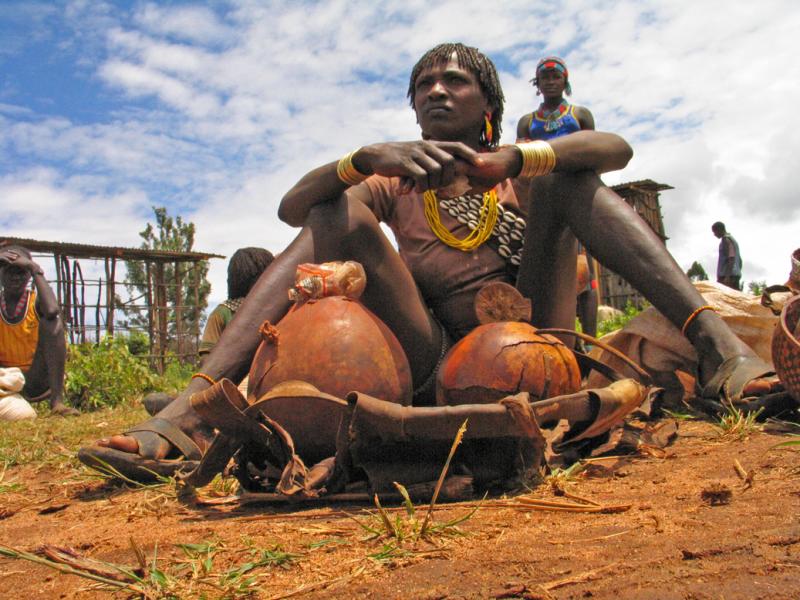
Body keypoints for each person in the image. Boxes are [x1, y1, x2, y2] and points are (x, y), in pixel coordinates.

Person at [79, 42, 779, 481]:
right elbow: (297, 209)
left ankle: (720, 355)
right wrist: (361, 160)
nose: (436, 91)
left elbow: (616, 151)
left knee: (573, 178)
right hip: (431, 356)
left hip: (535, 342)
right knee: (335, 208)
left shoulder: (518, 172)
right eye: (423, 86)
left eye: (454, 81)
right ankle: (192, 406)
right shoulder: (394, 181)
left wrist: (517, 157)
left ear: (489, 106)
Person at [517, 57, 598, 339]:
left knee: (586, 273)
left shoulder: (580, 116)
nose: (551, 81)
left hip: (578, 192)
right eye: (545, 77)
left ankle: (589, 340)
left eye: (556, 76)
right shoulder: (528, 122)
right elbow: (520, 164)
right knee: (544, 266)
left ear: (565, 81)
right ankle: (540, 333)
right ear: (537, 84)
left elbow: (594, 153)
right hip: (541, 198)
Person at [142, 247, 275, 416]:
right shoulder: (224, 313)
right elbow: (208, 361)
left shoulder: (278, 309)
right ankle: (188, 407)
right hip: (233, 385)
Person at [0, 245, 76, 416]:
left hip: (34, 379)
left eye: (21, 271)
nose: (15, 277)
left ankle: (57, 402)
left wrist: (35, 269)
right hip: (4, 378)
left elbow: (52, 310)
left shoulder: (35, 302)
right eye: (8, 271)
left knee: (53, 323)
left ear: (28, 275)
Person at [712, 222, 742, 290]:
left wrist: (727, 277)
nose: (714, 234)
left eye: (715, 232)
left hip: (728, 276)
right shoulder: (733, 240)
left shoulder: (726, 240)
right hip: (735, 275)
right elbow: (740, 261)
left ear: (720, 229)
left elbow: (731, 258)